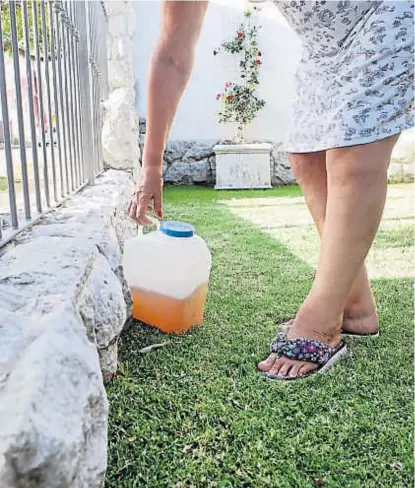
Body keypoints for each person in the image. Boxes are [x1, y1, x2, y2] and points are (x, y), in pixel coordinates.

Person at [128, 1, 414, 381]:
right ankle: (356, 307)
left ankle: (320, 321)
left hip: (387, 11)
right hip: (324, 44)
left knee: (352, 156)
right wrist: (151, 165)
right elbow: (171, 52)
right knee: (306, 159)